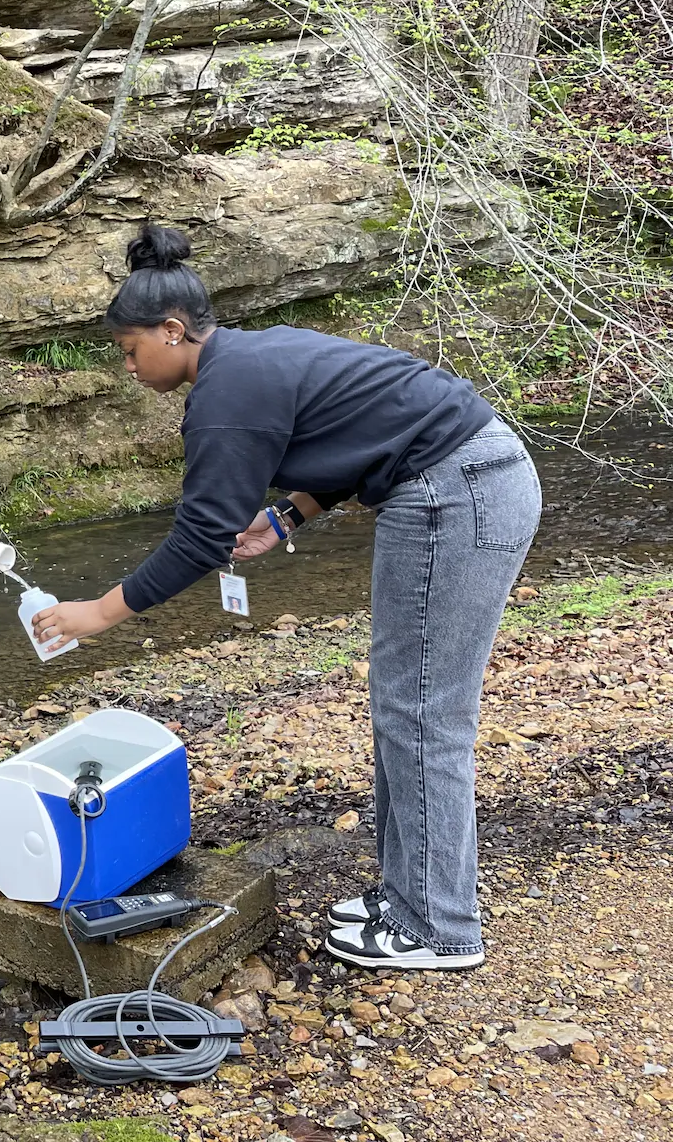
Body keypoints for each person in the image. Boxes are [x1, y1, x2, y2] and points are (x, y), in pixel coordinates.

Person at [29, 223, 542, 971]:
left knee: (424, 712)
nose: (129, 366)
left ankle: (439, 928)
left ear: (173, 331)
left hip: (456, 491)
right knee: (405, 704)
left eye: (130, 349)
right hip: (461, 481)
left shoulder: (225, 396)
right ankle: (412, 899)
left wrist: (99, 613)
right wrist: (288, 514)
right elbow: (366, 431)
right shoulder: (255, 357)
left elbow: (200, 537)